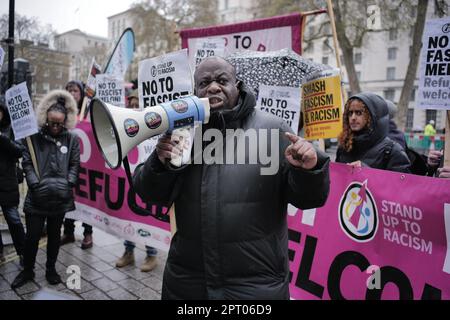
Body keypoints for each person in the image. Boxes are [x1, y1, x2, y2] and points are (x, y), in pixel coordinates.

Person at [132, 57, 331, 299]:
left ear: (237, 85)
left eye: (222, 80)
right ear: (195, 91)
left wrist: (308, 171)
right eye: (204, 82)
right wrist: (159, 163)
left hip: (255, 286)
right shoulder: (182, 131)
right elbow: (150, 194)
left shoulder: (273, 130)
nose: (213, 87)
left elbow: (309, 199)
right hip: (189, 284)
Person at [11, 90, 80, 289]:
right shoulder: (33, 137)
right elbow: (27, 162)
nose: (56, 127)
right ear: (45, 119)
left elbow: (75, 164)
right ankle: (27, 269)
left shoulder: (72, 139)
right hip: (37, 198)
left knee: (54, 237)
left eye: (60, 123)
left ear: (66, 120)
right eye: (52, 123)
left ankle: (51, 269)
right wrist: (34, 183)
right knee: (32, 237)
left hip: (60, 198)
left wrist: (69, 183)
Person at [115, 89, 158, 273]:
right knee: (129, 216)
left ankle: (152, 253)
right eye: (130, 105)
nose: (133, 108)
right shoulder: (126, 127)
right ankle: (128, 252)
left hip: (147, 180)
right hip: (129, 179)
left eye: (137, 105)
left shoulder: (154, 127)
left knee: (146, 216)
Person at [336, 92, 410, 173]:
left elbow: (402, 184)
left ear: (371, 116)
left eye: (359, 113)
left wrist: (366, 171)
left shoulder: (392, 151)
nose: (353, 118)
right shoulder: (344, 147)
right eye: (350, 113)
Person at [60, 80, 93, 249]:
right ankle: (69, 232)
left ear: (81, 94)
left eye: (75, 91)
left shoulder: (89, 111)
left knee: (87, 198)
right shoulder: (61, 111)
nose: (72, 93)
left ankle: (88, 234)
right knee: (69, 197)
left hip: (87, 163)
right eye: (69, 90)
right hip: (67, 162)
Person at [0, 98, 26, 265]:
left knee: (14, 220)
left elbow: (19, 151)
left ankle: (24, 254)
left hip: (7, 183)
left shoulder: (10, 130)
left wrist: (2, 139)